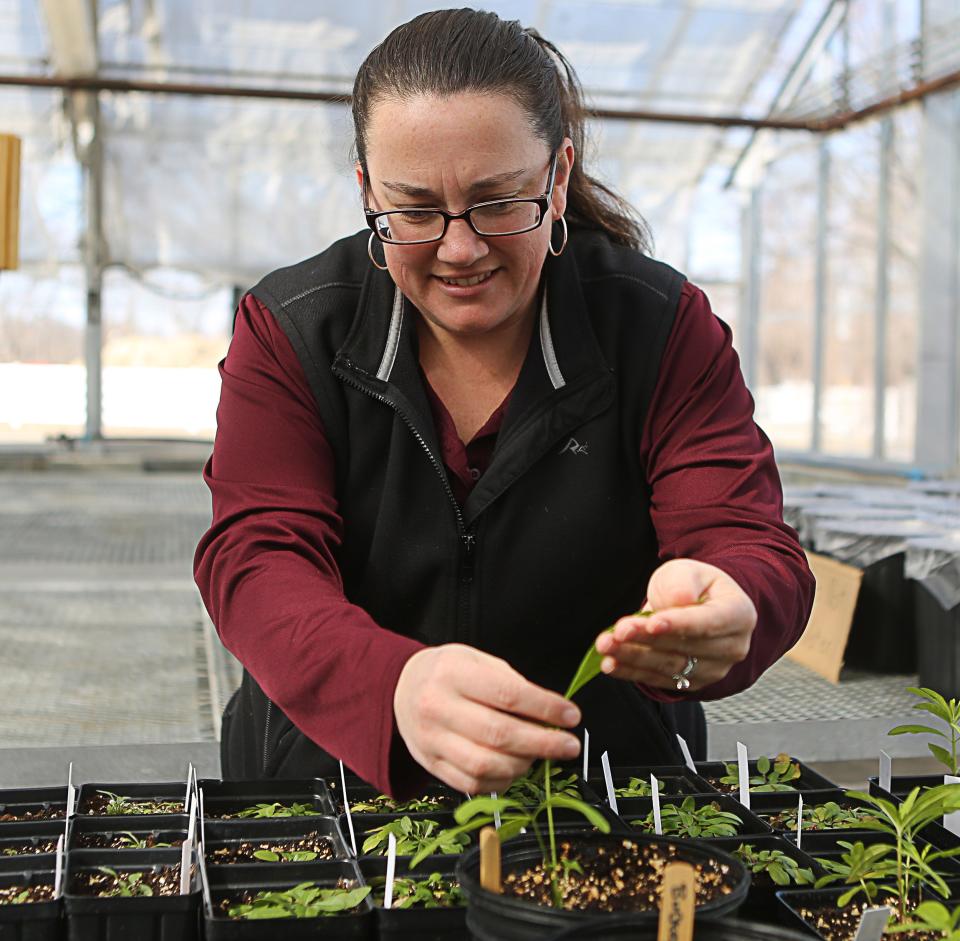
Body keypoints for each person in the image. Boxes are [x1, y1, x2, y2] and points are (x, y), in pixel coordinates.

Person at [194, 8, 815, 797]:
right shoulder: (296, 327)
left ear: (556, 178)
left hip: (598, 785)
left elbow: (746, 537)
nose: (459, 248)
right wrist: (390, 686)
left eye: (497, 203)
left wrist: (730, 601)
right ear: (366, 191)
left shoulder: (653, 327)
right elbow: (255, 555)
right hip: (337, 782)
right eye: (414, 210)